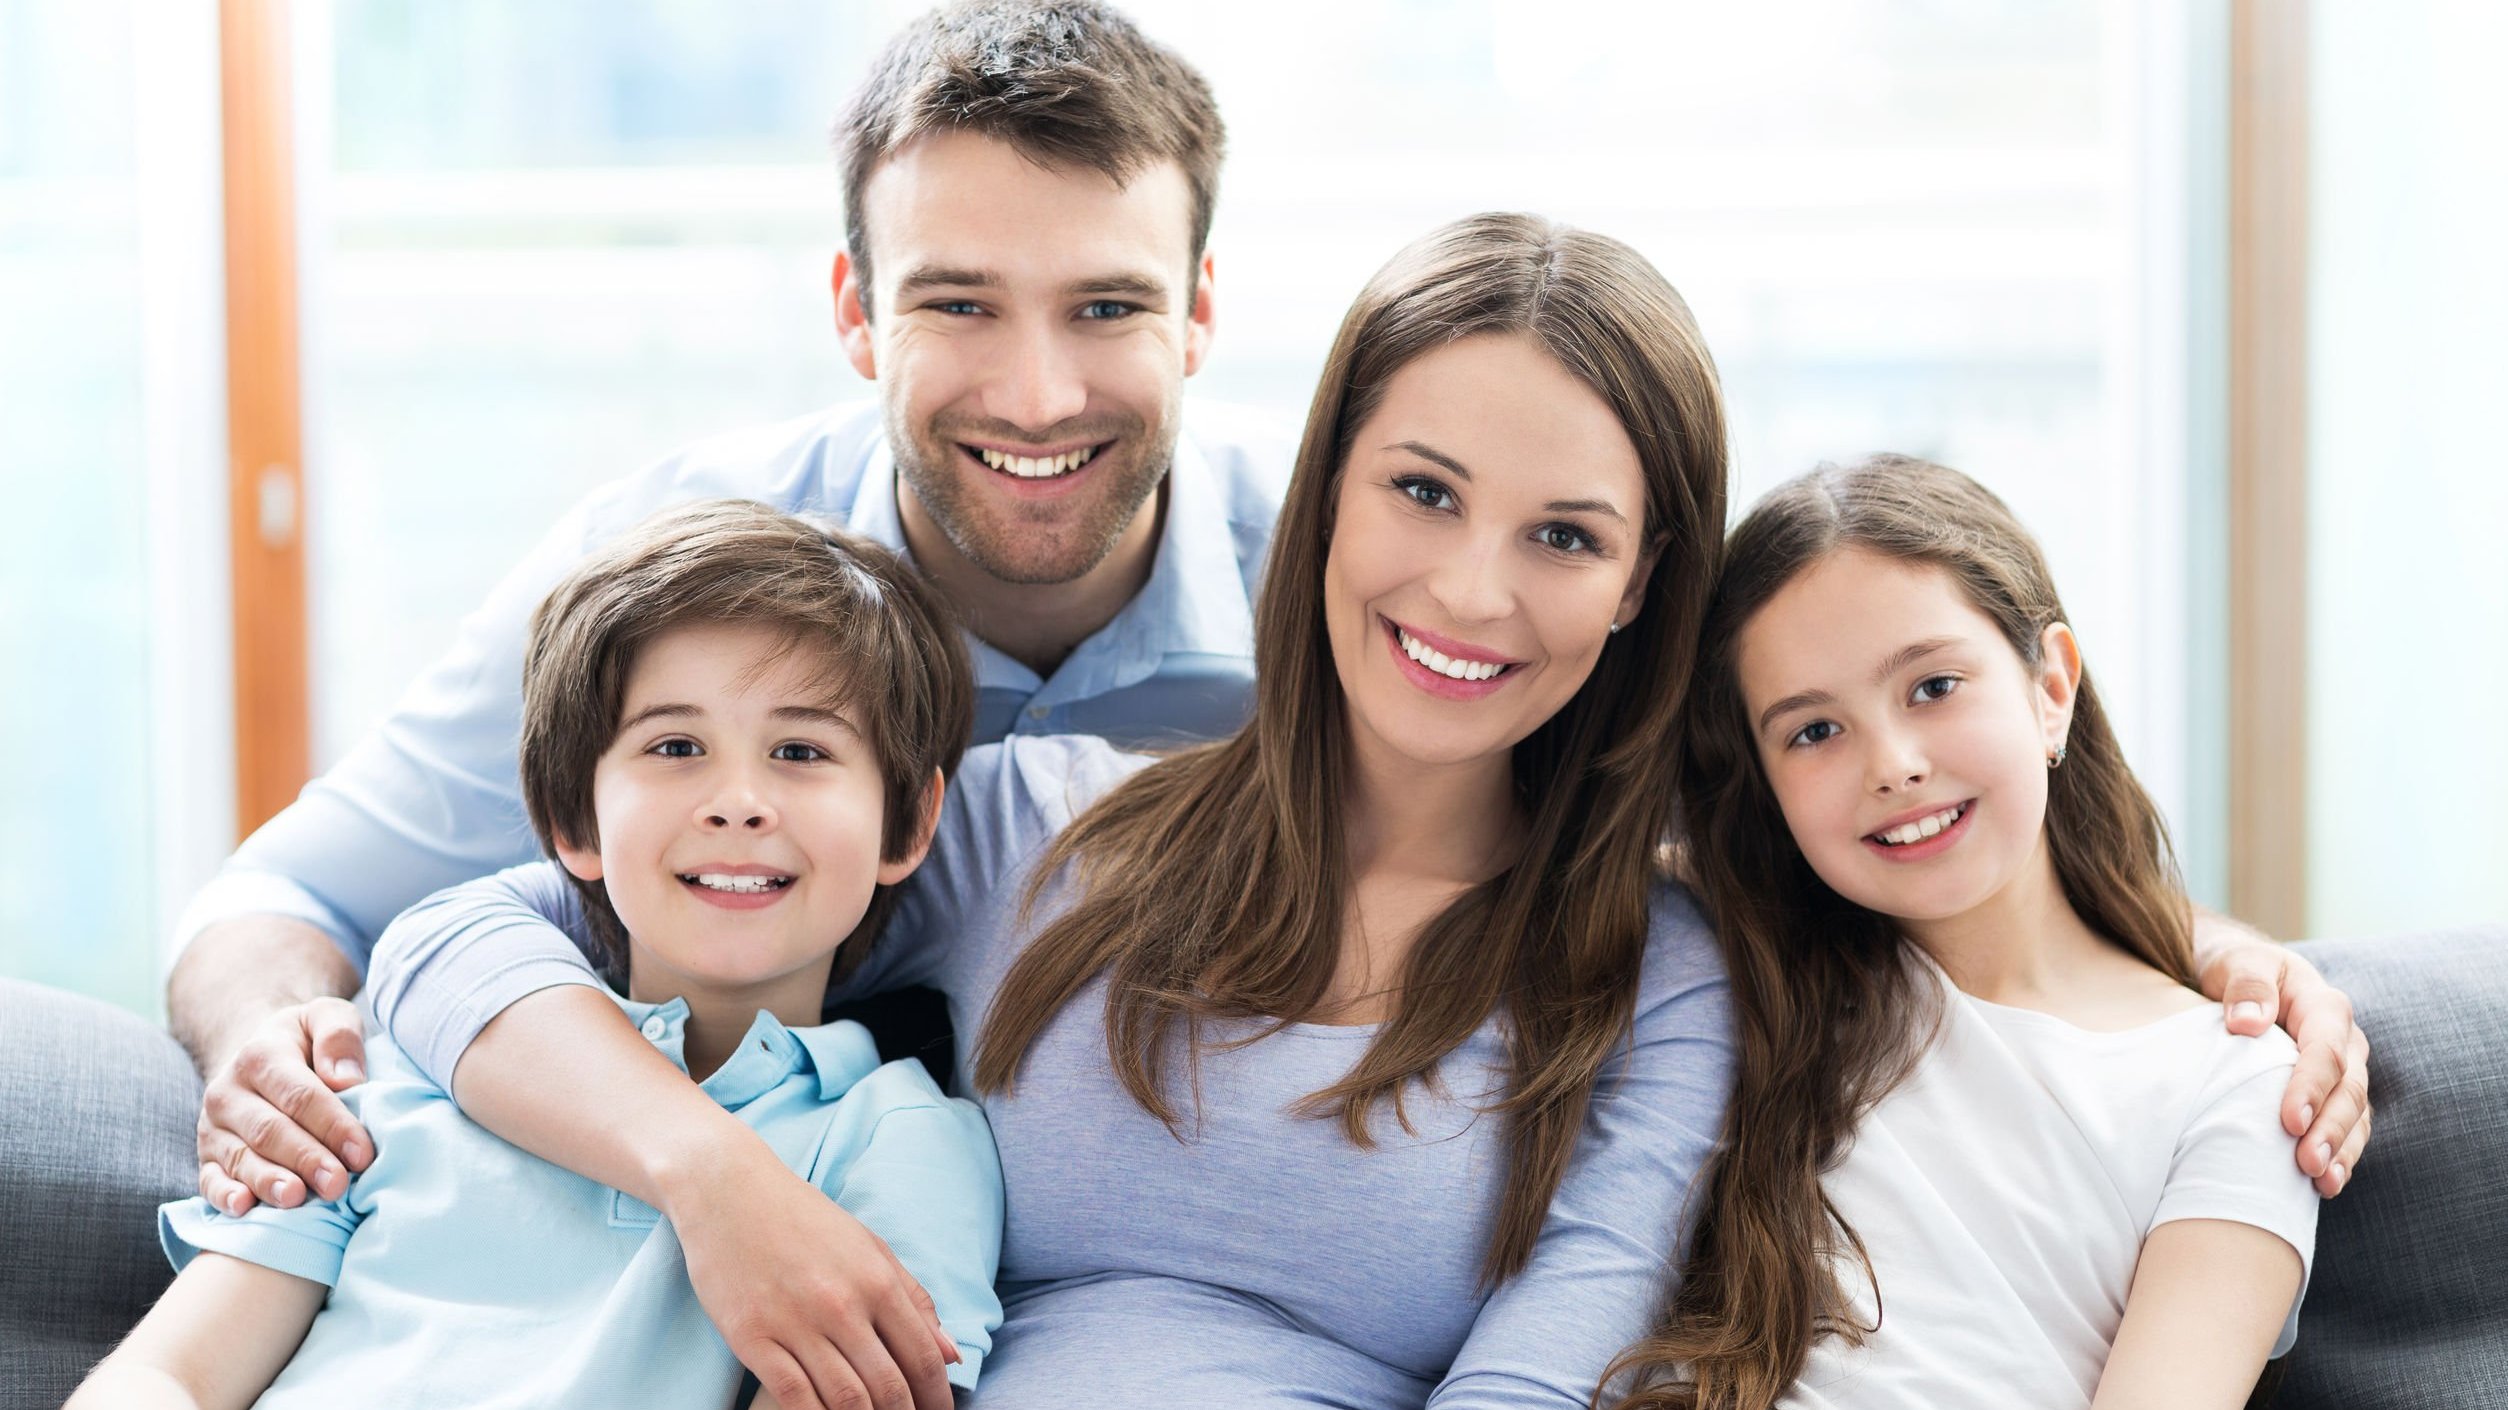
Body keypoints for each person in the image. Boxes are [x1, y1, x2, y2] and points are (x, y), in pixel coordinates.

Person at [350, 212, 1734, 1409]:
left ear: (1638, 583)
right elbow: (458, 940)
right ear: (1326, 498)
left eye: (1565, 535)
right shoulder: (1053, 828)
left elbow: (1546, 1376)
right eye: (1423, 491)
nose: (1473, 590)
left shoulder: (1658, 969)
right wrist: (713, 1177)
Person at [170, 0, 1282, 1192]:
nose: (1039, 396)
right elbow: (286, 899)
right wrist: (268, 1045)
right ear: (856, 311)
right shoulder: (662, 579)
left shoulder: (1340, 595)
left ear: (1200, 311)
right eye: (958, 305)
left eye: (1107, 308)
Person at [71, 500, 1003, 1408]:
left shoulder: (899, 1140)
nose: (737, 801)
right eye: (676, 745)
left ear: (909, 822)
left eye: (801, 751)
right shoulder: (392, 1082)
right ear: (570, 817)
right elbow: (171, 1374)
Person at [1605, 457, 2319, 1410]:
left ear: (2051, 688)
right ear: (1767, 789)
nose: (1893, 765)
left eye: (1933, 685)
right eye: (1814, 732)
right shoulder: (1729, 967)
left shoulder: (2236, 1084)